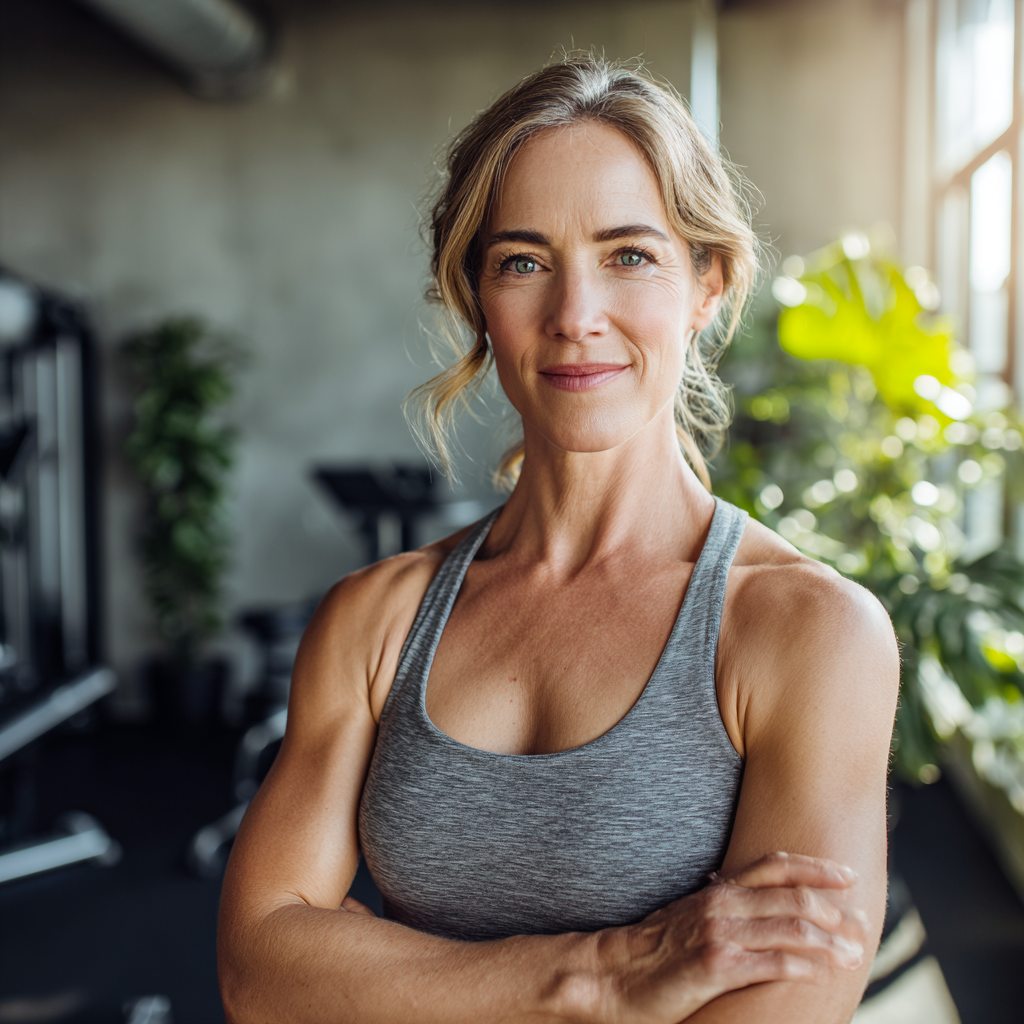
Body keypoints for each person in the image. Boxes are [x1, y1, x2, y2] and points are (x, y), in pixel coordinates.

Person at [218, 55, 899, 1024]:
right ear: (477, 300)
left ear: (705, 282)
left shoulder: (808, 632)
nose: (576, 316)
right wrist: (602, 977)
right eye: (524, 261)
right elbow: (258, 966)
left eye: (629, 255)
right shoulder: (373, 619)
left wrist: (383, 982)